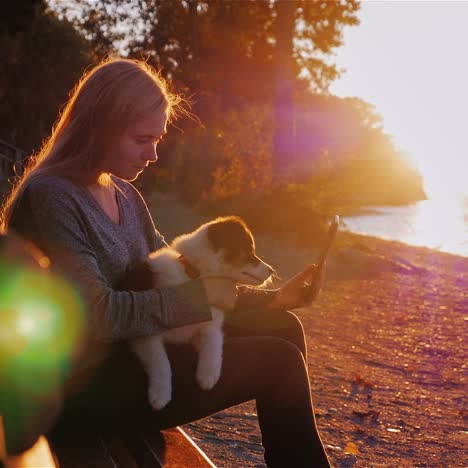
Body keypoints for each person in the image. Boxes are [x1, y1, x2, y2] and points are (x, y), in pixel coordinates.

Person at [0, 57, 331, 467]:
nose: (154, 154)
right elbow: (97, 316)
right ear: (99, 127)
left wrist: (270, 299)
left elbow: (181, 277)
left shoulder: (125, 195)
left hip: (135, 352)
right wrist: (197, 297)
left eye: (157, 139)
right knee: (278, 364)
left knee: (283, 324)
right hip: (84, 385)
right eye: (142, 140)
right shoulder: (54, 197)